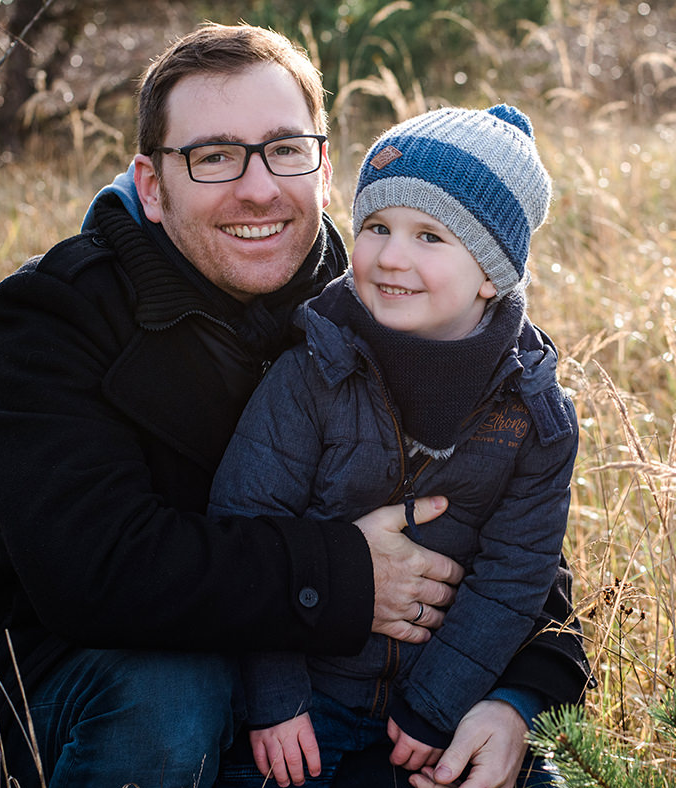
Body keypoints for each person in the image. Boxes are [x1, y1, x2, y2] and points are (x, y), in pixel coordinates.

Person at [0, 22, 591, 788]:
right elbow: (90, 572)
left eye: (285, 150)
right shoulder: (58, 313)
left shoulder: (403, 297)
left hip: (348, 695)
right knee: (175, 689)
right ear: (152, 185)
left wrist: (522, 698)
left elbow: (517, 541)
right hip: (63, 679)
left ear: (323, 171)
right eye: (214, 156)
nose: (258, 187)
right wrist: (349, 577)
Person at [209, 104, 578, 788]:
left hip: (437, 704)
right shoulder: (313, 369)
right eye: (376, 227)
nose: (390, 256)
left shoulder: (532, 410)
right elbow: (249, 522)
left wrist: (436, 706)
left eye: (430, 237)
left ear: (492, 273)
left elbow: (517, 572)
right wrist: (274, 699)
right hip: (303, 704)